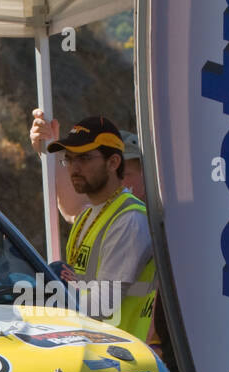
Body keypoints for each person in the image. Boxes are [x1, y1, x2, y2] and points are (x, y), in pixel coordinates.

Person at [31, 114, 156, 345]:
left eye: (85, 158)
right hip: (91, 352)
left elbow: (103, 304)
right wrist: (46, 149)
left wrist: (40, 305)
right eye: (69, 159)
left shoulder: (130, 220)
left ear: (113, 162)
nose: (75, 168)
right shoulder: (88, 216)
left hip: (121, 359)